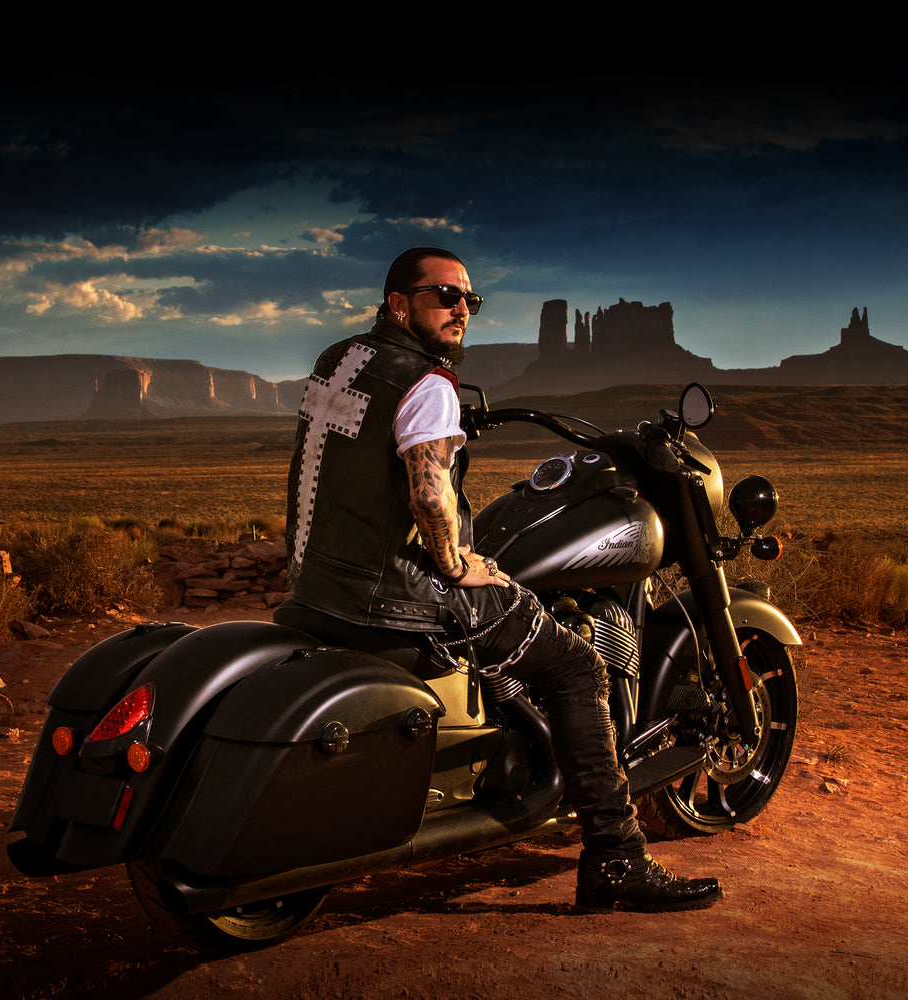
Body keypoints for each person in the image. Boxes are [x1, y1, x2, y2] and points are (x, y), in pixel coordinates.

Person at [279, 247, 722, 912]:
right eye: (443, 296)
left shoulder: (340, 361)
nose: (461, 309)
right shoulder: (427, 384)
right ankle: (615, 855)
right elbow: (430, 499)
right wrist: (458, 563)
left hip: (316, 587)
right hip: (391, 602)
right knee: (575, 667)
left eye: (470, 300)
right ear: (399, 304)